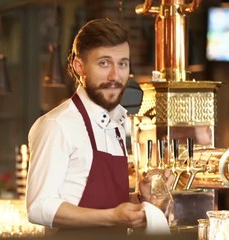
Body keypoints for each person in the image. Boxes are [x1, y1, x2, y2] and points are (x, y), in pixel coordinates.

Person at [26, 18, 172, 238]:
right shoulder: (57, 125)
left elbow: (108, 204)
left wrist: (140, 200)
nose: (115, 75)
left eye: (122, 63)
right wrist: (113, 216)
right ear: (79, 66)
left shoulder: (116, 125)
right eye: (104, 63)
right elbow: (39, 207)